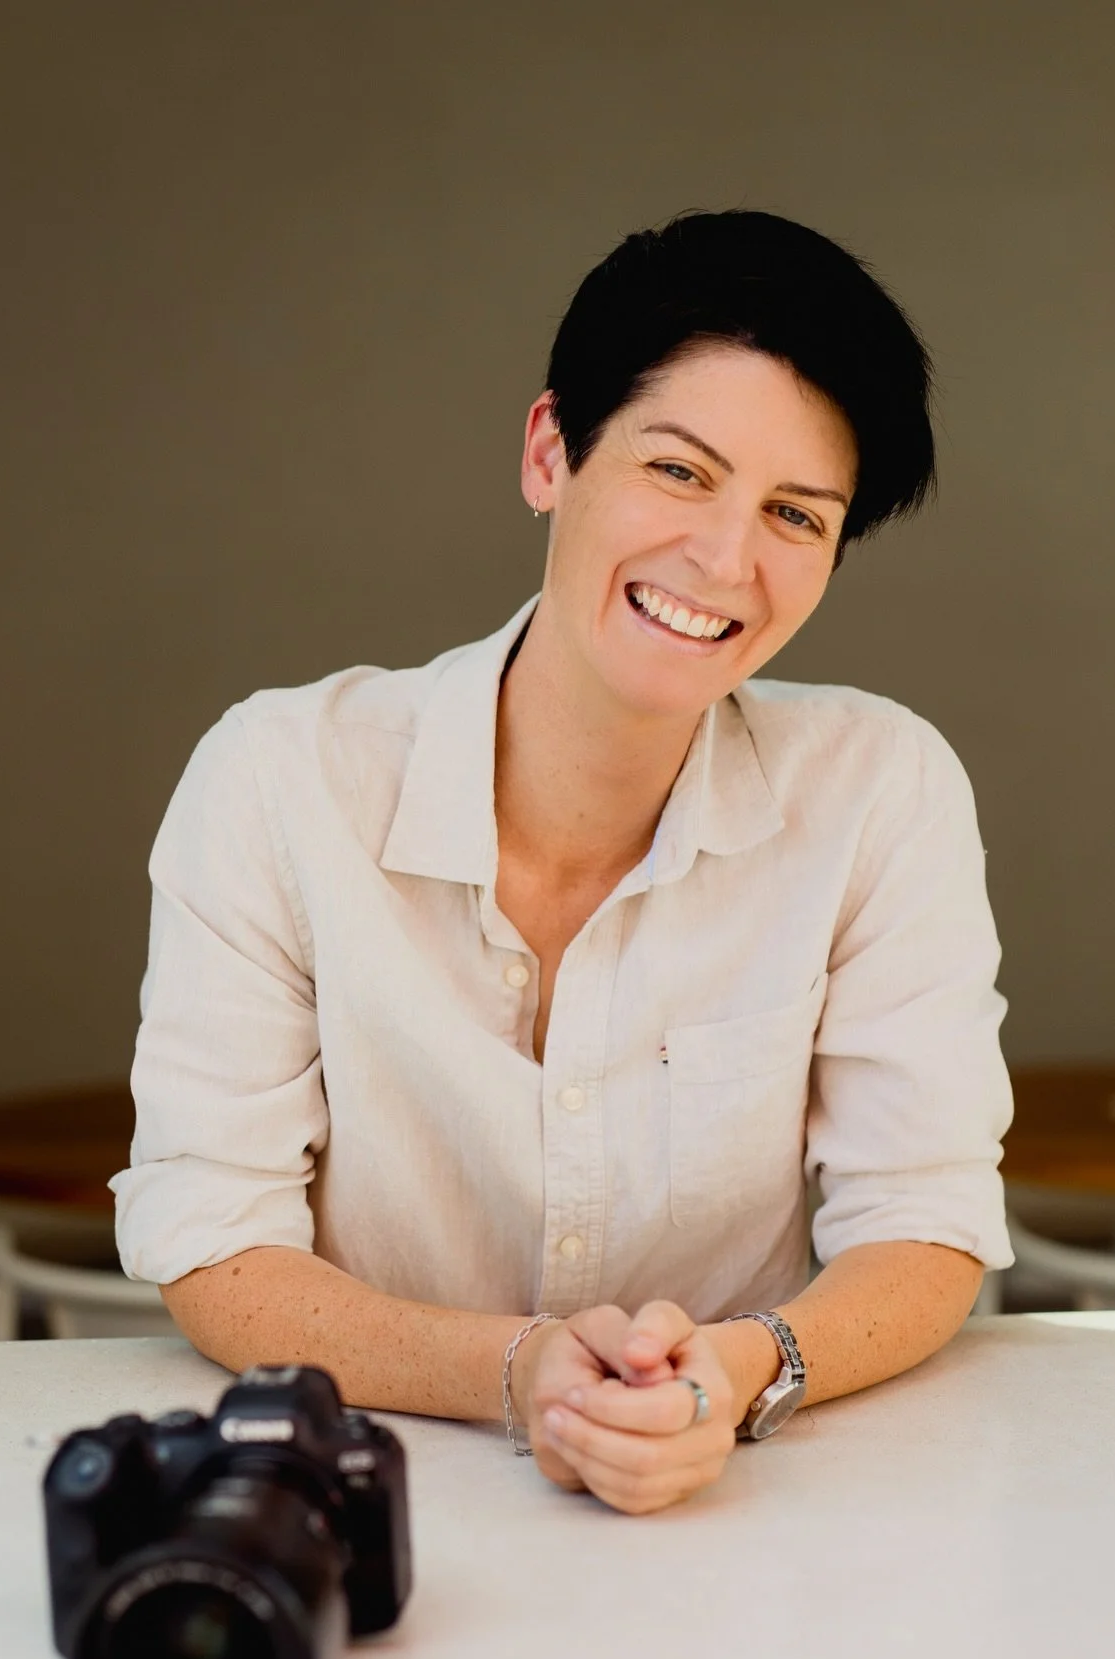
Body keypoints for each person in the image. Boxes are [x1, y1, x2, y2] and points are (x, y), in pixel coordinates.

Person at [112, 209, 1013, 1516]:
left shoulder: (883, 790)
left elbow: (923, 1224)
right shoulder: (278, 778)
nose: (725, 560)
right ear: (551, 452)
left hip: (739, 1508)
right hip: (375, 1491)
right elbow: (215, 1245)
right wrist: (518, 1372)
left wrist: (743, 1368)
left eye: (795, 515)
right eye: (680, 472)